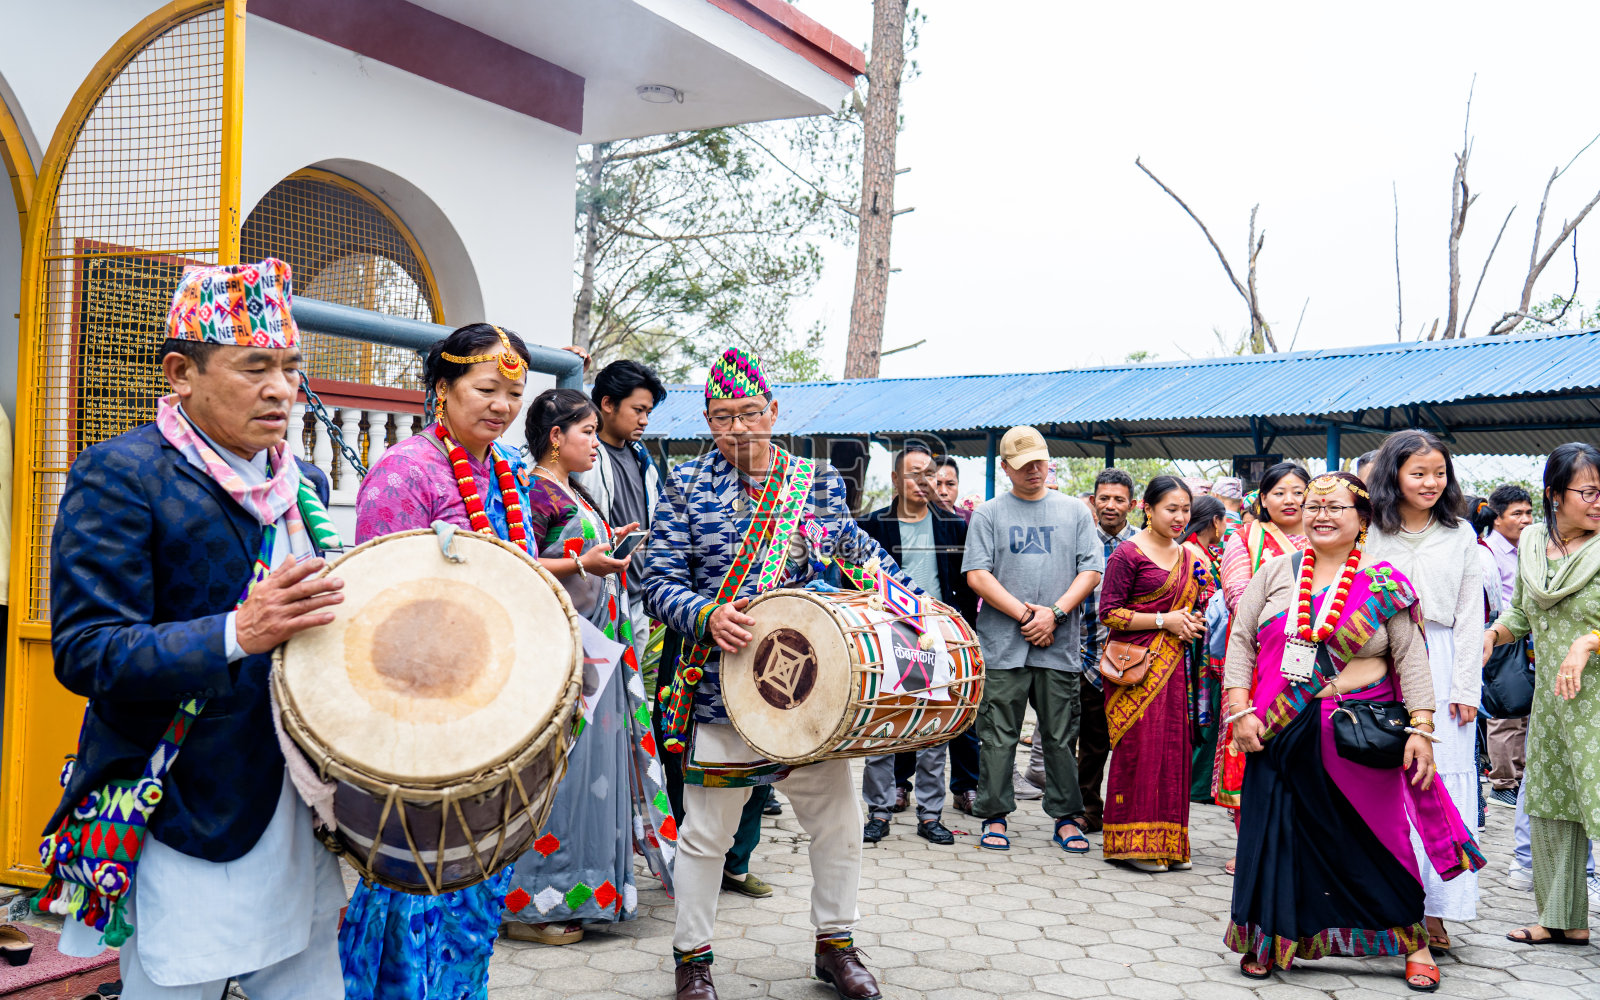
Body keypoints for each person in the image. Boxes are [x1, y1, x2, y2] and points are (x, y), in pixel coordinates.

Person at [47, 260, 347, 996]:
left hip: (299, 800)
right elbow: (87, 652)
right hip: (187, 802)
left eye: (290, 367)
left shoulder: (303, 483)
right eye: (255, 368)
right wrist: (236, 633)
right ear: (181, 372)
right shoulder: (121, 475)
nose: (282, 389)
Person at [643, 348, 912, 1000]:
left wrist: (912, 606)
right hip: (720, 692)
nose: (738, 429)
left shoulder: (815, 484)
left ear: (774, 412)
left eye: (750, 414)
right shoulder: (684, 485)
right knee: (707, 834)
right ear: (707, 420)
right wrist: (705, 615)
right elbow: (656, 581)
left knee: (839, 823)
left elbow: (859, 554)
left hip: (807, 697)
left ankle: (836, 946)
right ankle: (693, 960)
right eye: (723, 417)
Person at [341, 323, 544, 993]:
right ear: (441, 390)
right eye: (486, 390)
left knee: (476, 885)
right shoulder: (403, 473)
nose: (502, 407)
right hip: (418, 717)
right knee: (413, 881)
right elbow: (376, 612)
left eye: (513, 394)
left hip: (492, 714)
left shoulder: (508, 472)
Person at [1223, 472, 1482, 992]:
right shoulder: (1276, 572)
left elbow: (1411, 660)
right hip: (1282, 728)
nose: (1320, 514)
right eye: (1313, 505)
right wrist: (1239, 709)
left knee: (1383, 839)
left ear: (1362, 518)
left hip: (1359, 733)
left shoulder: (1383, 581)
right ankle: (1271, 938)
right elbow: (1242, 642)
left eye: (1335, 506)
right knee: (1280, 839)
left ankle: (1415, 943)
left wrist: (1422, 729)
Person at [1364, 429, 1484, 953]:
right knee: (1377, 781)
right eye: (1418, 473)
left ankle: (1435, 914)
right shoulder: (1369, 529)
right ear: (1393, 475)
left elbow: (1469, 617)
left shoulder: (1461, 534)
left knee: (1438, 785)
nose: (1431, 482)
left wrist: (1466, 688)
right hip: (1375, 660)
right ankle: (1381, 905)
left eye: (1439, 473)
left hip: (1440, 661)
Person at [963, 426, 1103, 855]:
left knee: (1060, 736)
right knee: (998, 734)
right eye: (1024, 466)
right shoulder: (989, 513)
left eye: (1040, 462)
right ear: (1005, 468)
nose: (1035, 471)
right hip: (1004, 645)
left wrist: (1055, 613)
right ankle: (995, 813)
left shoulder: (1076, 512)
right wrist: (1026, 614)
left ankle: (1065, 815)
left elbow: (1091, 571)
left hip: (1058, 645)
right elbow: (977, 575)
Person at [1485, 442, 1600, 946]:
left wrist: (1589, 641)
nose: (1599, 501)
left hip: (1595, 701)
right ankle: (1563, 919)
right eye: (1589, 491)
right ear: (1555, 494)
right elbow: (1521, 615)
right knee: (1553, 807)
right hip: (1553, 702)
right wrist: (1493, 634)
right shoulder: (1532, 544)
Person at [858, 443, 978, 846]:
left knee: (934, 730)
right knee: (882, 726)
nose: (923, 482)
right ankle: (878, 811)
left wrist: (963, 637)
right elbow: (853, 585)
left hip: (938, 635)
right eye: (913, 473)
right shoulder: (871, 527)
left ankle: (930, 814)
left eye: (928, 473)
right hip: (886, 634)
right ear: (895, 479)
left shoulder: (953, 526)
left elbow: (962, 588)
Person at [1097, 477, 1204, 872]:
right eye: (1170, 509)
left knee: (1172, 749)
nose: (1179, 517)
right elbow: (1110, 612)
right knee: (1140, 750)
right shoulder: (1127, 554)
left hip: (1175, 668)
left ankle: (1169, 845)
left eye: (1185, 510)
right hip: (1136, 669)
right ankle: (1130, 845)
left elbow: (1191, 609)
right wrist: (1164, 619)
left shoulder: (1190, 556)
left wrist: (1189, 623)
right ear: (1148, 508)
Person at [1212, 462, 1309, 872]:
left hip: (1314, 664)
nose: (1290, 499)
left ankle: (1299, 844)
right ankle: (1249, 842)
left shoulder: (1328, 540)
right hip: (1256, 660)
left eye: (1298, 491)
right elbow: (1238, 594)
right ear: (1263, 500)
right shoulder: (1245, 538)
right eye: (1279, 492)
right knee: (1249, 747)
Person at [1063, 468, 1137, 833]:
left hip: (1129, 661)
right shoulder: (1078, 540)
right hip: (1081, 655)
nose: (1110, 505)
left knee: (1119, 741)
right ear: (1092, 501)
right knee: (1084, 742)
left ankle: (1125, 810)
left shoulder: (1140, 545)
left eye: (1119, 499)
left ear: (1133, 505)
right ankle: (1086, 809)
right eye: (1104, 498)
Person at [1475, 485, 1535, 810]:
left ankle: (1519, 776)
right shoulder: (1488, 552)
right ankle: (1502, 783)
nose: (1525, 520)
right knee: (1504, 712)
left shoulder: (1529, 549)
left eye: (1528, 512)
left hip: (1524, 640)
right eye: (1517, 514)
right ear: (1497, 519)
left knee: (1523, 709)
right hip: (1498, 638)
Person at [1181, 495, 1228, 802]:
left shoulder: (1202, 551)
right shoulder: (1190, 551)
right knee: (1202, 711)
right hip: (1197, 643)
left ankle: (1201, 783)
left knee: (1208, 711)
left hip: (1206, 639)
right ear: (1215, 521)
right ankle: (1196, 786)